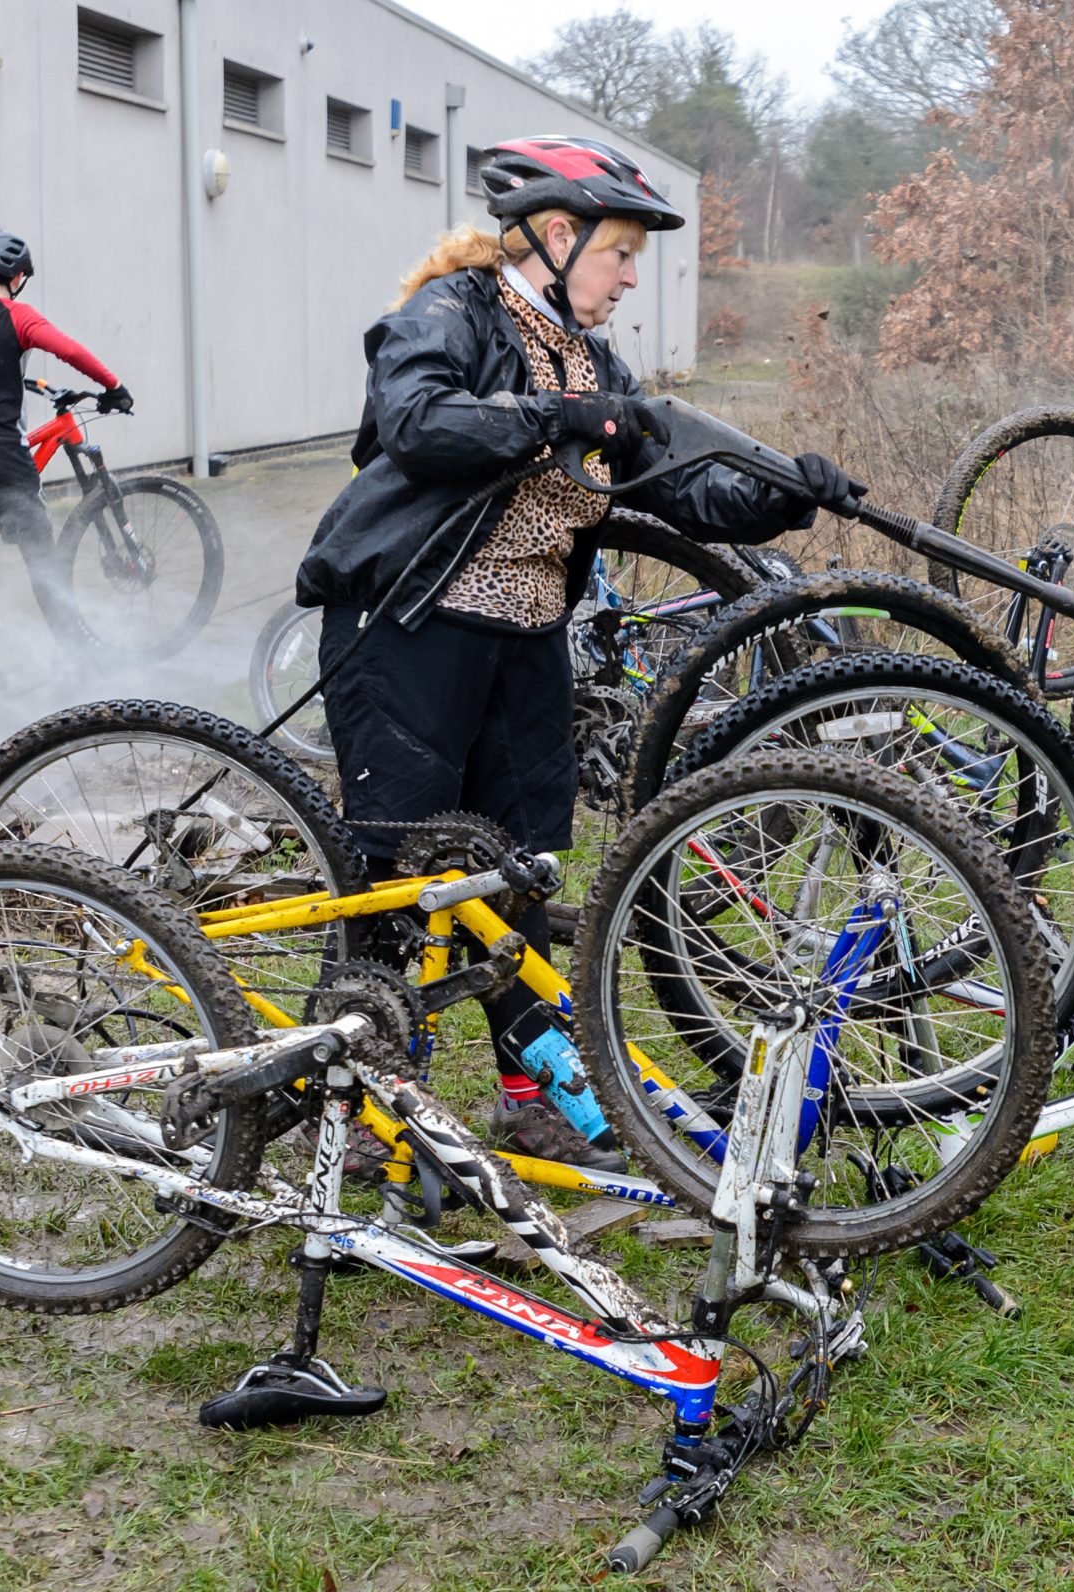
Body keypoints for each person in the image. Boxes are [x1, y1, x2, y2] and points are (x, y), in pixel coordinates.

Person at [296, 135, 854, 1169]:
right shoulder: (453, 312)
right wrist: (558, 413)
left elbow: (675, 488)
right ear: (557, 236)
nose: (631, 276)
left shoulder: (595, 360)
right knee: (390, 871)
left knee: (518, 872)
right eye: (620, 254)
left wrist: (782, 496)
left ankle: (533, 1086)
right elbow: (412, 421)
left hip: (523, 636)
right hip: (408, 626)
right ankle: (365, 1098)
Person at [0, 228, 132, 686]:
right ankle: (77, 654)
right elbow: (70, 351)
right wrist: (113, 386)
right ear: (18, 276)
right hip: (0, 448)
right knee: (41, 554)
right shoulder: (19, 317)